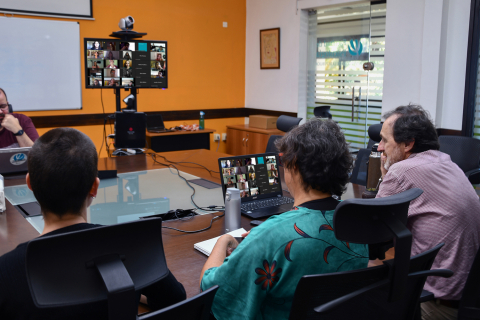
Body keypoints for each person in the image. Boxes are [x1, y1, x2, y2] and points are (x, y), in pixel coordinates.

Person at [0, 128, 186, 319]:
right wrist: (130, 290)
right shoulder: (131, 246)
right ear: (95, 187)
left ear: (29, 184)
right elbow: (175, 298)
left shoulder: (6, 271)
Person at [200, 118, 368, 320]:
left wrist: (223, 242)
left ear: (293, 165)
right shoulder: (358, 227)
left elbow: (212, 288)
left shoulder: (271, 236)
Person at [376, 104, 480, 320]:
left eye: (385, 140)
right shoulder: (446, 161)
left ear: (408, 144)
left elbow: (375, 231)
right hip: (466, 296)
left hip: (435, 302)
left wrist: (386, 175)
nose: (379, 147)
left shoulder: (403, 170)